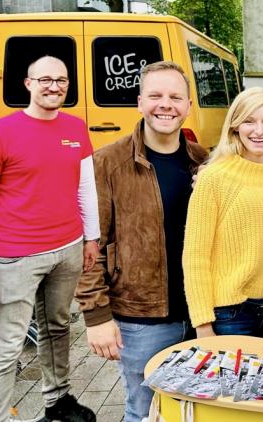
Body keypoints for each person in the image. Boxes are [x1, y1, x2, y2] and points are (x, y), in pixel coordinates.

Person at [74, 61, 208, 422]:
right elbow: (87, 245)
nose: (166, 104)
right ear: (139, 102)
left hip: (200, 315)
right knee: (145, 409)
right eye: (156, 96)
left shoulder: (204, 161)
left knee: (197, 409)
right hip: (142, 319)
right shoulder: (106, 163)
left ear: (188, 106)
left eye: (175, 97)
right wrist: (96, 316)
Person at [0, 56, 98, 421]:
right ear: (28, 84)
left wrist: (90, 237)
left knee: (57, 328)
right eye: (45, 79)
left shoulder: (76, 128)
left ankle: (57, 401)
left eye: (61, 80)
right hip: (14, 257)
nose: (54, 86)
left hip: (68, 249)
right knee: (7, 346)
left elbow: (85, 187)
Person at [183, 87, 263, 340]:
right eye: (249, 121)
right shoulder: (213, 177)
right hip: (231, 314)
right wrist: (202, 325)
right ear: (235, 126)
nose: (259, 131)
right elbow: (195, 257)